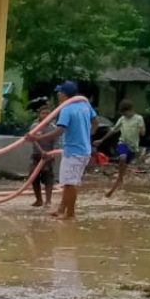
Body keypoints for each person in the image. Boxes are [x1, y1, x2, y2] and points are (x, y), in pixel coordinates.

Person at [35, 81, 96, 220]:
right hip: (83, 150)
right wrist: (87, 136)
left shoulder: (67, 109)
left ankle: (70, 214)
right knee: (69, 182)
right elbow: (95, 122)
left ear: (64, 94)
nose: (58, 94)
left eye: (60, 92)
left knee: (70, 184)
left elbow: (59, 130)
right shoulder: (85, 105)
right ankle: (62, 209)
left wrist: (38, 138)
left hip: (74, 152)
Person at [105, 99, 146, 198]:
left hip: (133, 148)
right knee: (122, 157)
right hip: (123, 143)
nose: (125, 115)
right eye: (123, 113)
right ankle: (119, 179)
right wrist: (102, 140)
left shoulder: (139, 118)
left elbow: (143, 133)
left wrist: (141, 130)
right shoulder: (122, 119)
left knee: (124, 166)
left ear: (131, 110)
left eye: (126, 112)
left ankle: (119, 181)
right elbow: (113, 130)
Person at [29, 102, 55, 208]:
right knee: (33, 177)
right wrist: (41, 152)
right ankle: (39, 200)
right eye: (43, 113)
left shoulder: (53, 128)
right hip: (36, 155)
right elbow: (33, 140)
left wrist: (50, 154)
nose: (45, 116)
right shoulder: (34, 126)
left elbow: (57, 142)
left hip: (49, 156)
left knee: (48, 178)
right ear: (39, 114)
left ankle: (48, 201)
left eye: (47, 113)